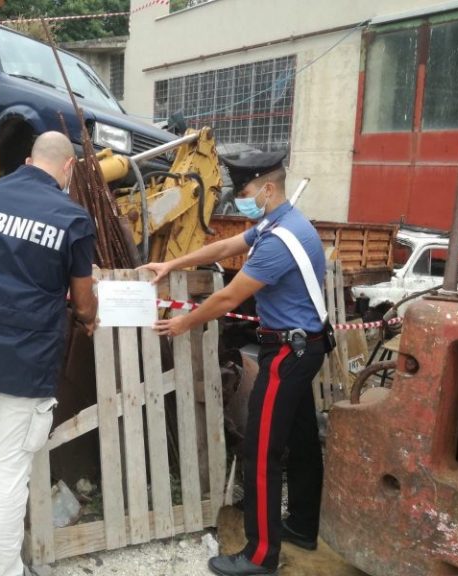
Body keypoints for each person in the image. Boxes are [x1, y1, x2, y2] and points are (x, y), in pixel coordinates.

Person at [141, 151, 329, 576]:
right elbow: (228, 245)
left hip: (288, 352)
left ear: (268, 188)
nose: (240, 200)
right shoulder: (280, 222)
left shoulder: (281, 240)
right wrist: (173, 262)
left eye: (244, 192)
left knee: (261, 450)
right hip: (303, 347)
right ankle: (301, 525)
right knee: (299, 440)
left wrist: (182, 324)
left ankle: (260, 556)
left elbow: (228, 298)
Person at [0, 131, 98, 576]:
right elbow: (83, 302)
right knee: (10, 466)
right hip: (27, 359)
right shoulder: (72, 219)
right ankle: (6, 567)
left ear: (31, 159)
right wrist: (90, 316)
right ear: (69, 167)